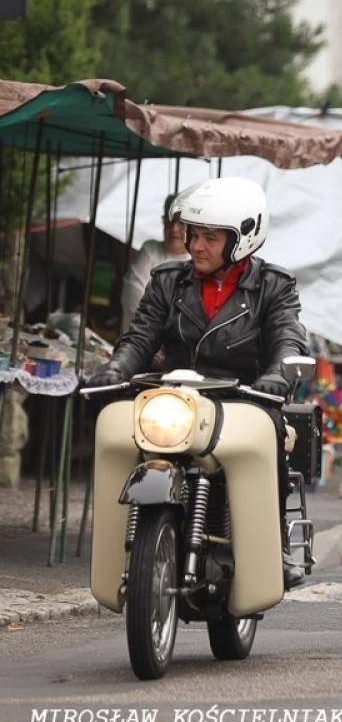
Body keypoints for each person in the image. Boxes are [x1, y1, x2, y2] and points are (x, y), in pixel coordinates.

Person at [85, 177, 310, 574]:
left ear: (242, 238)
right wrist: (116, 368)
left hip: (245, 400)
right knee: (124, 433)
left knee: (269, 438)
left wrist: (278, 374)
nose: (196, 246)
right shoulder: (168, 280)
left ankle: (271, 546)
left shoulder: (273, 286)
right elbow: (139, 337)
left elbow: (288, 338)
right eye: (193, 234)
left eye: (210, 237)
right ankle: (120, 557)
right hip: (176, 398)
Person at [119, 188, 192, 330]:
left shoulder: (198, 261)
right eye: (169, 222)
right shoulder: (150, 251)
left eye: (181, 223)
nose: (174, 229)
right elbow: (132, 295)